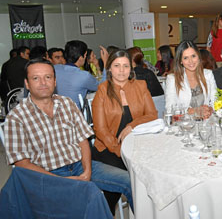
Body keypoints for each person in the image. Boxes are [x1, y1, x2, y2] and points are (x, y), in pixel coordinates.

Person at [4, 58, 133, 215]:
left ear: (55, 81)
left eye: (48, 77)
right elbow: (21, 162)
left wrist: (87, 170)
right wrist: (59, 181)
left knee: (131, 181)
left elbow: (83, 140)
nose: (43, 82)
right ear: (27, 83)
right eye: (36, 78)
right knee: (90, 194)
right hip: (48, 176)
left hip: (80, 164)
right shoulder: (17, 116)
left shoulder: (67, 104)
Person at [92, 49, 158, 213]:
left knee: (151, 179)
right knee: (127, 183)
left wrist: (132, 125)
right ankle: (108, 212)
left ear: (131, 68)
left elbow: (152, 115)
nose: (121, 70)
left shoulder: (140, 86)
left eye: (125, 66)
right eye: (117, 66)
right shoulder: (102, 90)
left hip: (138, 146)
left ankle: (146, 213)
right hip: (109, 149)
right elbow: (100, 130)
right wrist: (119, 150)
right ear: (110, 68)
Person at [165, 40, 217, 115]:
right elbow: (170, 108)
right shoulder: (172, 79)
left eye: (193, 56)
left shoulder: (208, 74)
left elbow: (215, 101)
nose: (191, 61)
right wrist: (193, 111)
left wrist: (210, 109)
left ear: (198, 57)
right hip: (184, 123)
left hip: (206, 122)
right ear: (180, 61)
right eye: (185, 58)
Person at [54, 40, 99, 108]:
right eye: (85, 55)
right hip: (75, 114)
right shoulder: (84, 75)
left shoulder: (55, 69)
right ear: (81, 57)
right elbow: (102, 87)